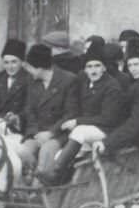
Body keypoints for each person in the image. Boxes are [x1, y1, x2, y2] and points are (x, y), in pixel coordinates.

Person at [38, 41, 128, 186]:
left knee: (79, 131)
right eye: (89, 66)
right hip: (87, 132)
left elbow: (108, 119)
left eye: (97, 66)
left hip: (106, 131)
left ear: (104, 68)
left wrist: (77, 122)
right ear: (85, 69)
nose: (93, 70)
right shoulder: (84, 82)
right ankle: (57, 189)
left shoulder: (112, 87)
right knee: (60, 155)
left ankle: (54, 172)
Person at [18, 43, 78, 180]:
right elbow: (29, 110)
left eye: (30, 68)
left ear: (39, 68)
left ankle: (43, 191)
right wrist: (35, 133)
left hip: (60, 134)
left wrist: (50, 133)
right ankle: (25, 187)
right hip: (37, 133)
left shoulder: (68, 80)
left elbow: (71, 113)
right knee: (22, 152)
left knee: (46, 153)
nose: (28, 71)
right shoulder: (33, 81)